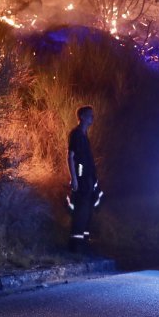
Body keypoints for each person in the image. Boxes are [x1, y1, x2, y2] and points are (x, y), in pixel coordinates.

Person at [68, 105, 98, 253]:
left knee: (87, 211)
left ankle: (84, 242)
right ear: (82, 117)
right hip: (81, 179)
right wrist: (74, 178)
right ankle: (76, 245)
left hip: (88, 179)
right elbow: (71, 157)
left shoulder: (84, 135)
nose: (93, 118)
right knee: (80, 211)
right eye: (90, 115)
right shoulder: (76, 134)